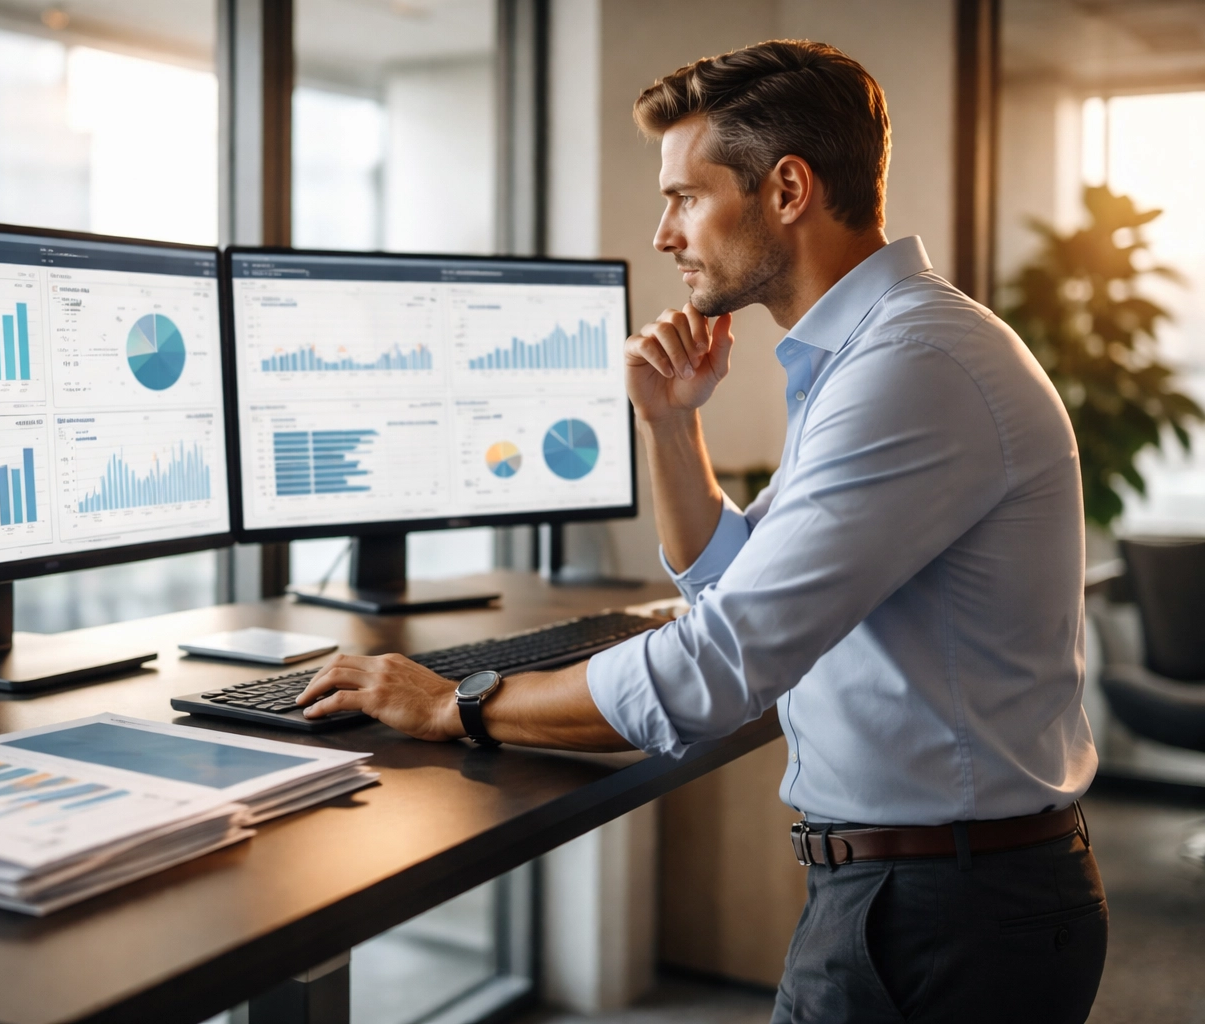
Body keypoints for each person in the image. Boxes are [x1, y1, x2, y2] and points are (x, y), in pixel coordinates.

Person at [296, 39, 1106, 1023]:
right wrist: (673, 423)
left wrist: (461, 703)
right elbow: (735, 579)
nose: (663, 232)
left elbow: (719, 664)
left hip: (944, 913)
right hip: (942, 890)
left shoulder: (913, 367)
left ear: (788, 189)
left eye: (685, 196)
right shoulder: (879, 352)